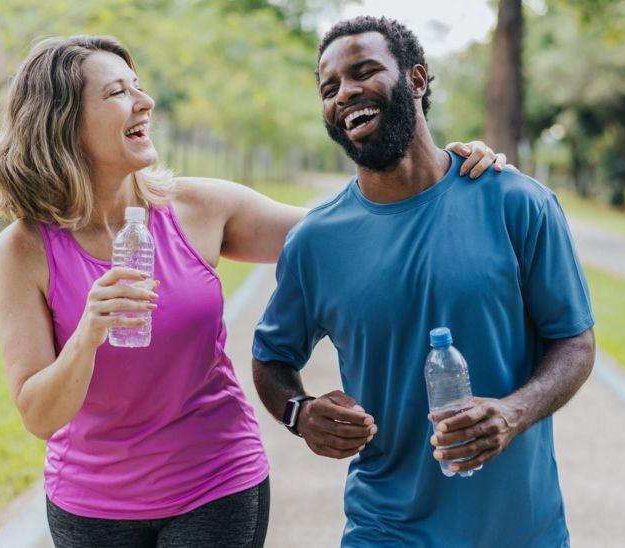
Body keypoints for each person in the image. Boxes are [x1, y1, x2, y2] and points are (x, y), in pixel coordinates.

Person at [0, 35, 506, 547]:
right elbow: (39, 414)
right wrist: (88, 334)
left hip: (215, 483)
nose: (144, 101)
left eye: (138, 86)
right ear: (64, 122)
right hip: (91, 503)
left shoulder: (198, 207)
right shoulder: (24, 250)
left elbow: (351, 230)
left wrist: (445, 169)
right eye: (118, 92)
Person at [251, 16, 596, 547]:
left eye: (364, 71)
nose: (345, 93)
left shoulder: (517, 203)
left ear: (416, 80)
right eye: (329, 87)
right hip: (384, 527)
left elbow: (574, 342)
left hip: (521, 528)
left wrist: (512, 413)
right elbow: (271, 357)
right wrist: (299, 412)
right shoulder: (315, 240)